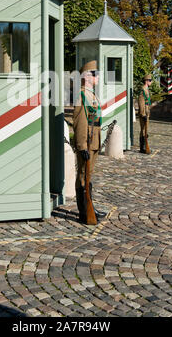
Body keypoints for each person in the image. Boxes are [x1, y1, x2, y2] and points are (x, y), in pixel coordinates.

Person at [73, 60, 106, 223]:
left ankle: (90, 206)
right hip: (87, 142)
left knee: (89, 176)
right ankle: (84, 212)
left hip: (94, 141)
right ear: (87, 76)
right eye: (95, 74)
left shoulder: (91, 94)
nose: (98, 77)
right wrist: (81, 145)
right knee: (82, 176)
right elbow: (80, 122)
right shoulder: (81, 95)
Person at [138, 74, 152, 154]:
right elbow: (141, 102)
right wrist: (143, 114)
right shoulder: (143, 89)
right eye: (149, 80)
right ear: (146, 81)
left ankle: (144, 146)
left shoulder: (147, 89)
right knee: (143, 130)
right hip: (144, 112)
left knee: (145, 130)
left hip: (147, 111)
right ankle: (142, 148)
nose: (151, 82)